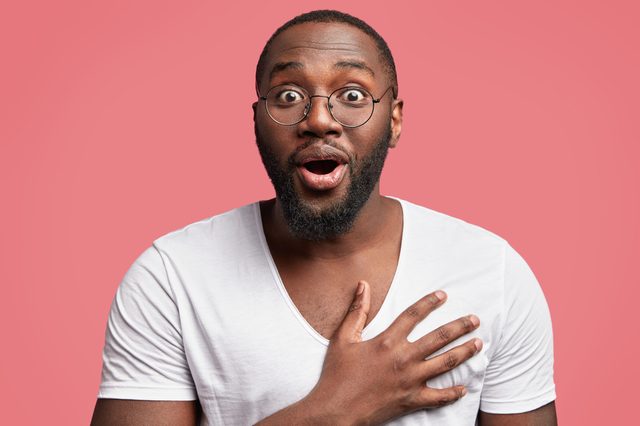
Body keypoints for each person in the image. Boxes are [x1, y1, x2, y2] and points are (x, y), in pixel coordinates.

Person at [91, 10, 556, 426]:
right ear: (257, 121)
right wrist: (336, 409)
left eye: (352, 94)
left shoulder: (493, 272)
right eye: (288, 94)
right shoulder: (171, 277)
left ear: (393, 121)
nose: (318, 119)